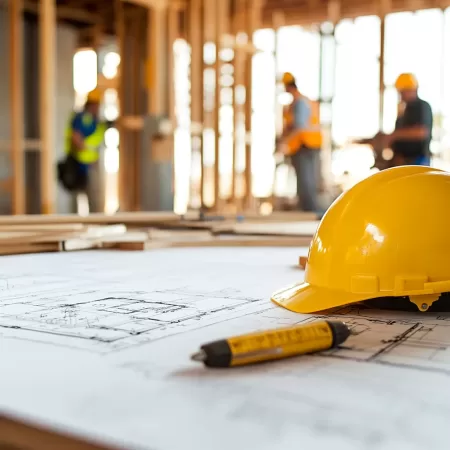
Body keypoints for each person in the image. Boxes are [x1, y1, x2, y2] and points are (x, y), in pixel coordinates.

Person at [277, 72, 323, 212]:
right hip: (311, 144)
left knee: (305, 181)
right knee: (308, 180)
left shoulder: (299, 102)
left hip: (304, 145)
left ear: (287, 86)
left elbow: (299, 126)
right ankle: (309, 210)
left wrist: (284, 142)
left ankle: (310, 211)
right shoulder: (301, 101)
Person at [59, 88, 107, 214]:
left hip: (90, 164)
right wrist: (84, 150)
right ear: (92, 104)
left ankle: (94, 223)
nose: (98, 108)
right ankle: (82, 224)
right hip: (80, 164)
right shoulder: (82, 118)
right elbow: (76, 138)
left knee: (93, 197)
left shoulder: (96, 120)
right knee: (82, 196)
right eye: (97, 104)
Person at [380, 73, 433, 166]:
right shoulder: (404, 111)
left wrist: (394, 135)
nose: (401, 95)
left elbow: (421, 132)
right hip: (402, 161)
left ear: (413, 89)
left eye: (403, 91)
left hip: (418, 161)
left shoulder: (422, 106)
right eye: (400, 92)